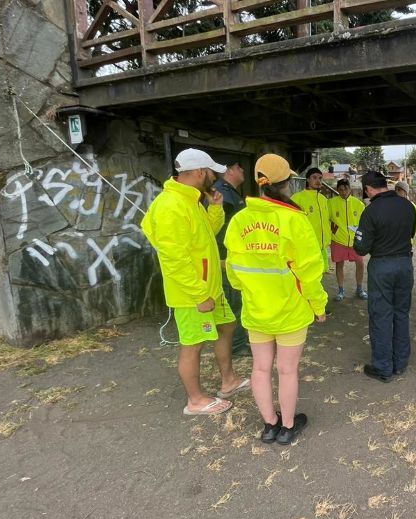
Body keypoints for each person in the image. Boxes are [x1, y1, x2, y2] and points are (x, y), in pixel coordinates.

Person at [224, 154, 328, 445]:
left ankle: (269, 425)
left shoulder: (239, 220)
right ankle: (288, 427)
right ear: (287, 184)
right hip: (290, 311)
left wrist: (247, 289)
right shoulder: (295, 220)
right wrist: (319, 306)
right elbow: (309, 272)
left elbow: (232, 268)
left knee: (259, 368)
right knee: (287, 369)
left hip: (256, 309)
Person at [141, 148, 249, 416]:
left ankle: (228, 381)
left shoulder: (190, 200)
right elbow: (174, 259)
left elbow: (205, 236)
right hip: (193, 292)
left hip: (209, 286)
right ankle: (196, 400)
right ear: (201, 172)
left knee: (228, 326)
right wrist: (199, 294)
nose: (215, 177)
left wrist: (214, 209)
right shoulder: (170, 205)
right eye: (212, 172)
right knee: (193, 345)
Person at [353, 171, 416, 382]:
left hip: (382, 265)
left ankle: (382, 366)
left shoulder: (371, 211)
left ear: (369, 189)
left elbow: (361, 249)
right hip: (405, 264)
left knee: (381, 315)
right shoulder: (408, 206)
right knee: (401, 312)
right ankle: (400, 363)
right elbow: (411, 234)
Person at [210, 163, 251, 357]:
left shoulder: (229, 192)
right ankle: (237, 345)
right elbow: (218, 229)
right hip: (225, 257)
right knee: (233, 300)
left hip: (232, 254)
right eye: (239, 168)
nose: (243, 171)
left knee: (237, 298)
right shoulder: (221, 193)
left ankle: (239, 341)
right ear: (229, 171)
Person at [328, 179, 368, 301]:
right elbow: (327, 219)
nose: (343, 192)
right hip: (338, 240)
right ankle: (341, 290)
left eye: (345, 189)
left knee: (360, 264)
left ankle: (359, 289)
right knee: (339, 265)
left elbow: (364, 223)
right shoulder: (330, 203)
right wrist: (333, 230)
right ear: (338, 190)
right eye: (340, 189)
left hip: (355, 241)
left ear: (350, 189)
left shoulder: (359, 204)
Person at [291, 168, 332, 272]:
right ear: (308, 180)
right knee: (307, 277)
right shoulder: (297, 198)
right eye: (314, 178)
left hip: (323, 248)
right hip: (307, 247)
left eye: (320, 178)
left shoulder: (323, 199)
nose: (318, 181)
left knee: (320, 276)